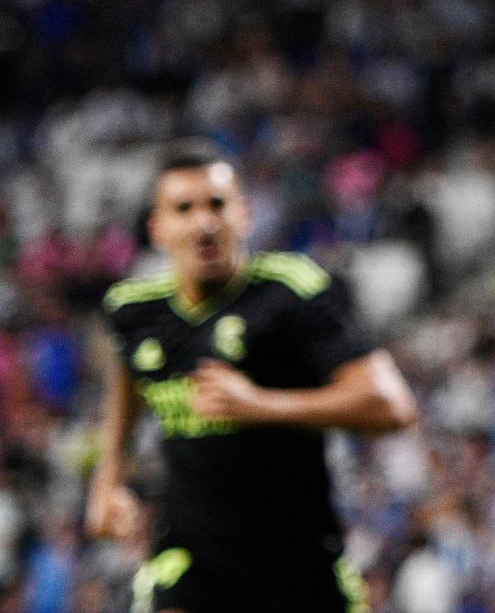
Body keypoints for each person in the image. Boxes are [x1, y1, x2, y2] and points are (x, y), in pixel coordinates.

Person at [85, 140, 418, 613]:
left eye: (217, 205)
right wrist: (107, 486)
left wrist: (260, 404)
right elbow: (124, 399)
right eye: (184, 208)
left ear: (244, 214)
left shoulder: (290, 292)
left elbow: (392, 405)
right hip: (190, 562)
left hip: (300, 569)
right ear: (157, 229)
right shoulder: (133, 311)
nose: (204, 222)